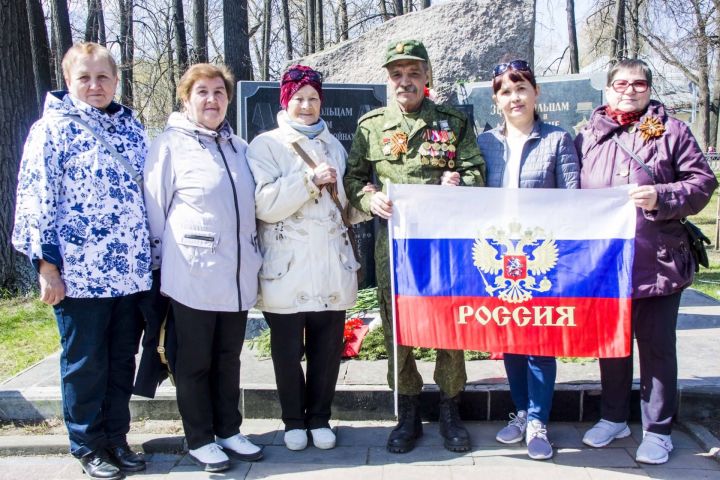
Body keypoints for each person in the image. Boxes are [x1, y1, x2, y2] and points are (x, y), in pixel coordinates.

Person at [12, 42, 150, 480]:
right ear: (68, 82)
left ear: (115, 80)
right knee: (85, 362)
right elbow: (37, 201)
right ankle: (88, 445)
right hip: (80, 275)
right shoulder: (50, 130)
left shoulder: (132, 127)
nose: (95, 86)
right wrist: (47, 268)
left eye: (103, 77)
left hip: (129, 273)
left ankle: (116, 437)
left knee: (119, 361)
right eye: (84, 78)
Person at [344, 39, 486, 454]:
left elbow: (476, 170)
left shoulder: (453, 121)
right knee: (397, 326)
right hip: (394, 248)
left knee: (448, 322)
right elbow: (353, 179)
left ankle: (449, 407)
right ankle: (406, 410)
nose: (404, 81)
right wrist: (369, 199)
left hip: (443, 247)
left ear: (426, 77)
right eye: (396, 75)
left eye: (413, 73)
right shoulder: (371, 126)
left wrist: (461, 182)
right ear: (388, 80)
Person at [576, 59, 718, 465]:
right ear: (606, 89)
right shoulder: (587, 136)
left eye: (639, 83)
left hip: (657, 261)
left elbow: (702, 183)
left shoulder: (672, 131)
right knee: (613, 347)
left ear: (649, 89)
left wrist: (662, 196)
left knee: (656, 349)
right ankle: (614, 417)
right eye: (621, 83)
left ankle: (658, 429)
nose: (629, 90)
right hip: (605, 264)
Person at [143, 63, 263, 472]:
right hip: (191, 273)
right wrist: (160, 269)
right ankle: (199, 437)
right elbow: (155, 211)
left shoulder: (238, 146)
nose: (211, 100)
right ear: (186, 98)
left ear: (228, 98)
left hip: (236, 275)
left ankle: (229, 429)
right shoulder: (169, 145)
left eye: (218, 92)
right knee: (193, 361)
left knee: (229, 357)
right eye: (202, 92)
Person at [246, 65, 360, 451]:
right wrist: (309, 180)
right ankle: (293, 420)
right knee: (286, 352)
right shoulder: (266, 145)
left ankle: (320, 418)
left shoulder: (334, 146)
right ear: (285, 100)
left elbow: (344, 205)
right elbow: (264, 205)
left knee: (327, 351)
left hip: (330, 263)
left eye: (312, 98)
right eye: (298, 98)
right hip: (288, 267)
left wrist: (371, 201)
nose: (306, 106)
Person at [476, 59, 579, 460]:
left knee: (540, 341)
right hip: (499, 257)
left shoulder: (557, 140)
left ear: (536, 93)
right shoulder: (485, 142)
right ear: (496, 100)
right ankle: (520, 411)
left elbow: (573, 201)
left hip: (541, 257)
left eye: (521, 88)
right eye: (505, 90)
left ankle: (539, 420)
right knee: (511, 339)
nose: (514, 97)